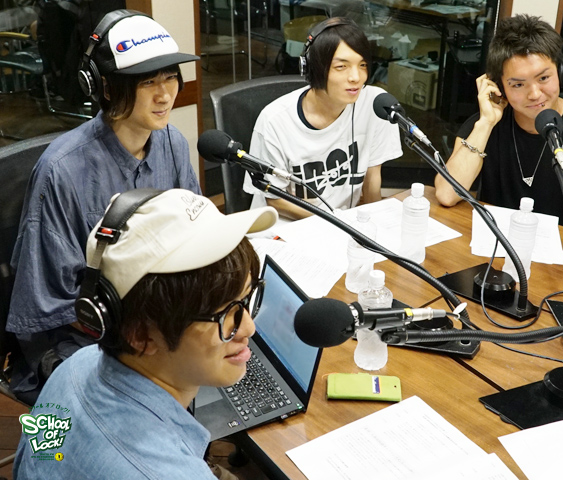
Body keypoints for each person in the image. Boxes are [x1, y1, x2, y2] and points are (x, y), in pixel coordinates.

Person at [12, 188, 278, 479]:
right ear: (140, 335)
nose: (248, 328)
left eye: (246, 299)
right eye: (225, 315)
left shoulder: (75, 367)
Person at [6, 10, 201, 400]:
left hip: (159, 322)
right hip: (83, 337)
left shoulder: (173, 143)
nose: (165, 94)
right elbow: (50, 304)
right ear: (106, 87)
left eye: (170, 77)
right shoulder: (62, 171)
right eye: (148, 82)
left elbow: (195, 234)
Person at [434, 14, 563, 281]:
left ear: (561, 72)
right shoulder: (484, 125)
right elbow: (446, 193)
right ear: (499, 86)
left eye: (543, 78)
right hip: (493, 261)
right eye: (518, 84)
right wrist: (486, 123)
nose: (535, 94)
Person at [242, 17, 403, 220]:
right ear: (313, 67)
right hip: (284, 227)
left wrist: (370, 227)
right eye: (341, 67)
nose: (356, 77)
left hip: (342, 226)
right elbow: (275, 201)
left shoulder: (375, 104)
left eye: (362, 65)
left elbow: (372, 181)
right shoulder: (274, 121)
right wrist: (335, 222)